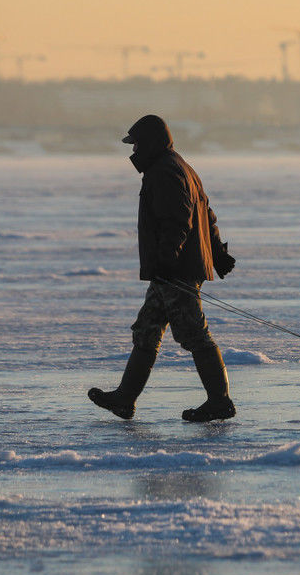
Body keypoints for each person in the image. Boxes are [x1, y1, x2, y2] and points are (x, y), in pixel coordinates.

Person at [88, 114, 238, 422]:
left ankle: (220, 401)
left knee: (194, 333)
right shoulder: (180, 166)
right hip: (172, 269)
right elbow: (206, 216)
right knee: (148, 329)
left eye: (138, 144)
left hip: (176, 270)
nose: (134, 151)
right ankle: (125, 399)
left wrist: (169, 260)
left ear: (152, 143)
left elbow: (178, 220)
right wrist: (219, 255)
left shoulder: (165, 171)